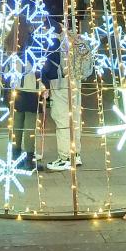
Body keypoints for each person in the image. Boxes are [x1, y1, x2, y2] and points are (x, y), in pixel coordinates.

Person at [41, 18, 85, 171]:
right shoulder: (73, 38)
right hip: (76, 82)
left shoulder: (54, 41)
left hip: (60, 83)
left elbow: (48, 66)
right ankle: (76, 154)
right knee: (75, 118)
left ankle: (65, 157)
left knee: (62, 119)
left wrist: (44, 81)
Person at [4, 19, 42, 171]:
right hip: (31, 88)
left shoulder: (8, 42)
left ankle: (15, 156)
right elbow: (39, 65)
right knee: (30, 126)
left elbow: (5, 67)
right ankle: (29, 159)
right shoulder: (32, 42)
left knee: (16, 124)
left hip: (14, 88)